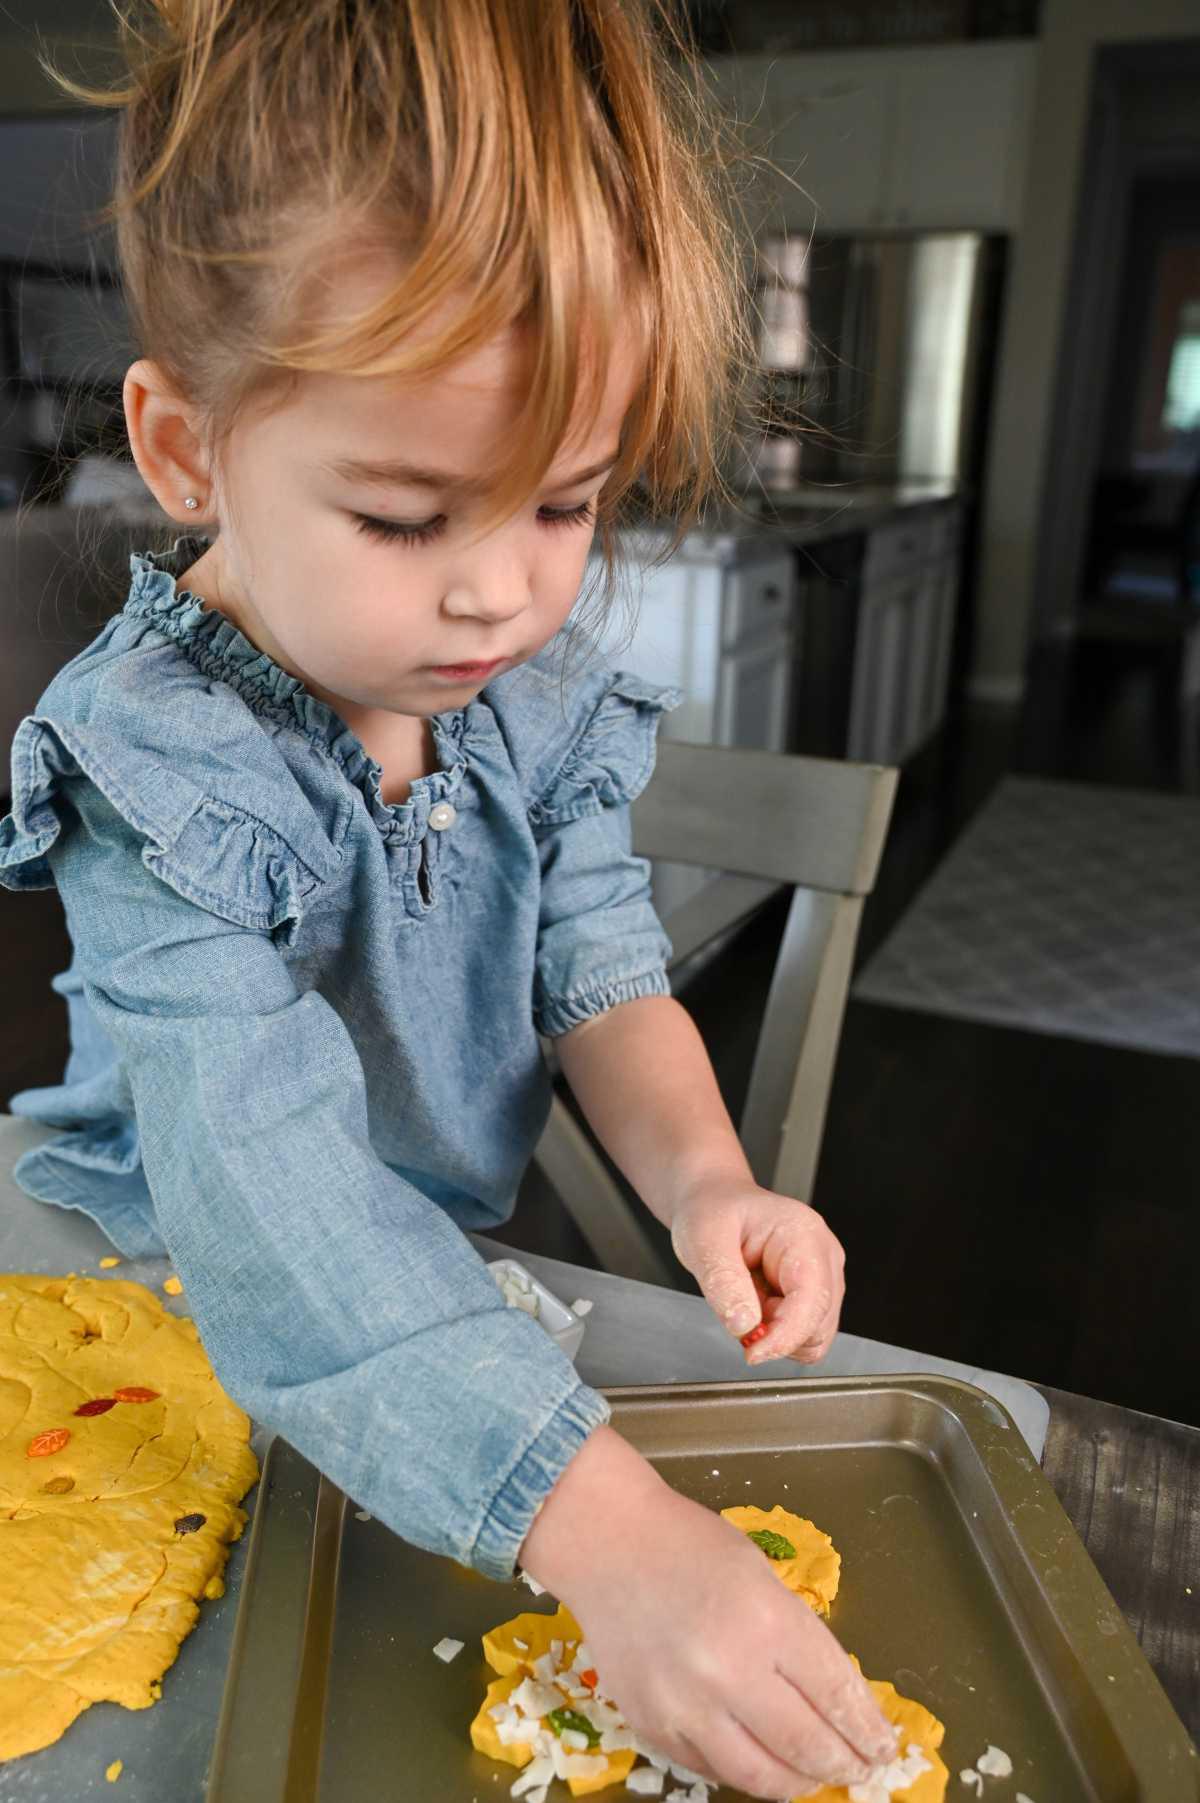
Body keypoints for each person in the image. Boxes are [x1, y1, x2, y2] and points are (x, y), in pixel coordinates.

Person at [0, 1, 897, 1792]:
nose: (501, 599)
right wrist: (617, 1538)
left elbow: (600, 967)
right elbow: (262, 1196)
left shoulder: (531, 707)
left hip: (448, 1295)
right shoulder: (155, 766)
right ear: (188, 454)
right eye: (409, 520)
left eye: (566, 505)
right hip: (152, 1268)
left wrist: (708, 1176)